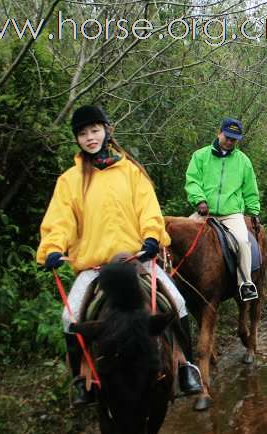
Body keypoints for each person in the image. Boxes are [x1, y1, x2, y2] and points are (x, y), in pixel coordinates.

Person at [37, 105, 203, 406]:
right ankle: (81, 379)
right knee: (68, 317)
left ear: (107, 131)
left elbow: (148, 210)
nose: (90, 138)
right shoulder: (69, 181)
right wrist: (52, 248)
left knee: (177, 303)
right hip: (94, 266)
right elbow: (60, 221)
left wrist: (152, 237)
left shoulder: (131, 172)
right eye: (83, 133)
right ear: (77, 139)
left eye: (95, 130)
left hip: (136, 261)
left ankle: (186, 367)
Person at [184, 118, 261, 302]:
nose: (229, 141)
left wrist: (253, 211)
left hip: (231, 214)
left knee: (243, 242)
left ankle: (246, 284)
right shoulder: (200, 156)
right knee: (180, 238)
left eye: (234, 139)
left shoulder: (243, 161)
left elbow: (250, 189)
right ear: (219, 133)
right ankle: (178, 282)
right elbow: (192, 181)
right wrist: (199, 200)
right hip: (204, 212)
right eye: (227, 137)